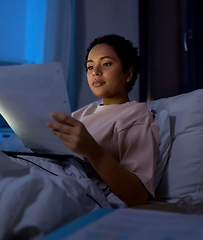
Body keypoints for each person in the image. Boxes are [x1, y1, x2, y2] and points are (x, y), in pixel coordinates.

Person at [46, 34, 160, 207]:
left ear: (128, 74)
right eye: (90, 67)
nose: (95, 72)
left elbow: (138, 195)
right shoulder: (82, 113)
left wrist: (92, 150)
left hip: (72, 188)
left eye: (106, 64)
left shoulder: (136, 116)